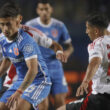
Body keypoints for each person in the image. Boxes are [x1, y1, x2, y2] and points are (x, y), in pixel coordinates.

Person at [0, 2, 53, 110]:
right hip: (21, 80)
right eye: (2, 24)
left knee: (18, 106)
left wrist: (19, 92)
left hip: (39, 81)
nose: (5, 28)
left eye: (8, 24)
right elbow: (6, 60)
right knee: (2, 107)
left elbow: (33, 70)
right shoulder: (2, 38)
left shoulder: (26, 41)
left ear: (17, 21)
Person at [25, 0, 74, 109]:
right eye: (41, 9)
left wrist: (66, 53)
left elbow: (69, 46)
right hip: (39, 70)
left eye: (46, 9)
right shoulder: (30, 26)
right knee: (43, 106)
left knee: (60, 105)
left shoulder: (59, 25)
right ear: (37, 10)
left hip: (56, 69)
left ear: (51, 9)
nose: (44, 12)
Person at [57, 12, 110, 110]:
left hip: (100, 98)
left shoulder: (97, 44)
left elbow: (95, 62)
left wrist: (85, 81)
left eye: (87, 28)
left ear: (96, 31)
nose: (86, 32)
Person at [0, 24, 67, 97]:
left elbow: (54, 45)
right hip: (11, 84)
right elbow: (5, 61)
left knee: (44, 104)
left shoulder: (32, 33)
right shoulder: (2, 38)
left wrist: (59, 52)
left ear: (18, 19)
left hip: (34, 83)